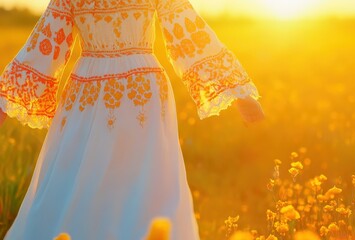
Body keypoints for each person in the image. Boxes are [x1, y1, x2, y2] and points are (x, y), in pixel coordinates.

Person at [0, 0, 264, 239]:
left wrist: (238, 91)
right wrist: (4, 103)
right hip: (113, 90)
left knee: (142, 179)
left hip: (131, 92)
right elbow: (46, 43)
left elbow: (188, 33)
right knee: (86, 175)